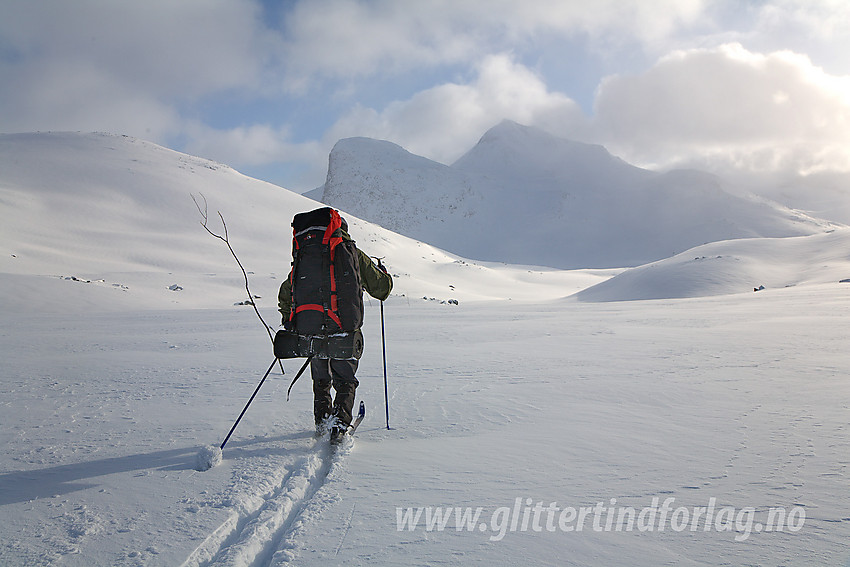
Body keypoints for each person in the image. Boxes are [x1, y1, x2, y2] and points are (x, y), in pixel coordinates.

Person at [278, 213, 392, 441]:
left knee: (321, 379)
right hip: (343, 329)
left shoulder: (305, 254)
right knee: (345, 379)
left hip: (311, 331)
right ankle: (339, 425)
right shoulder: (351, 252)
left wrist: (290, 320)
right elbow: (381, 290)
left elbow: (286, 292)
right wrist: (385, 274)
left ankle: (322, 420)